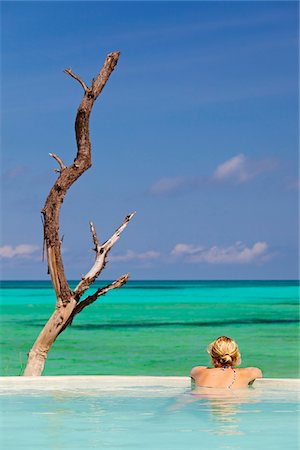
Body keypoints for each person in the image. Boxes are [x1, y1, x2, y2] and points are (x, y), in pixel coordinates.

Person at [190, 336, 262, 389]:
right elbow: (258, 374)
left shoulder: (197, 371)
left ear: (212, 356)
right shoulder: (251, 372)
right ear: (236, 356)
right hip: (232, 398)